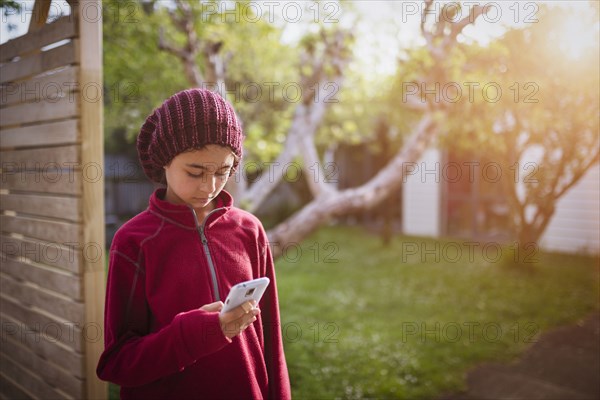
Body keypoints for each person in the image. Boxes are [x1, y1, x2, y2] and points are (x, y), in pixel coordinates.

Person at [96, 88, 291, 399]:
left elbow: (272, 338)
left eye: (222, 172)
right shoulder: (134, 241)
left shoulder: (249, 229)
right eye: (195, 171)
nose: (209, 186)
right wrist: (195, 334)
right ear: (164, 161)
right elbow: (117, 363)